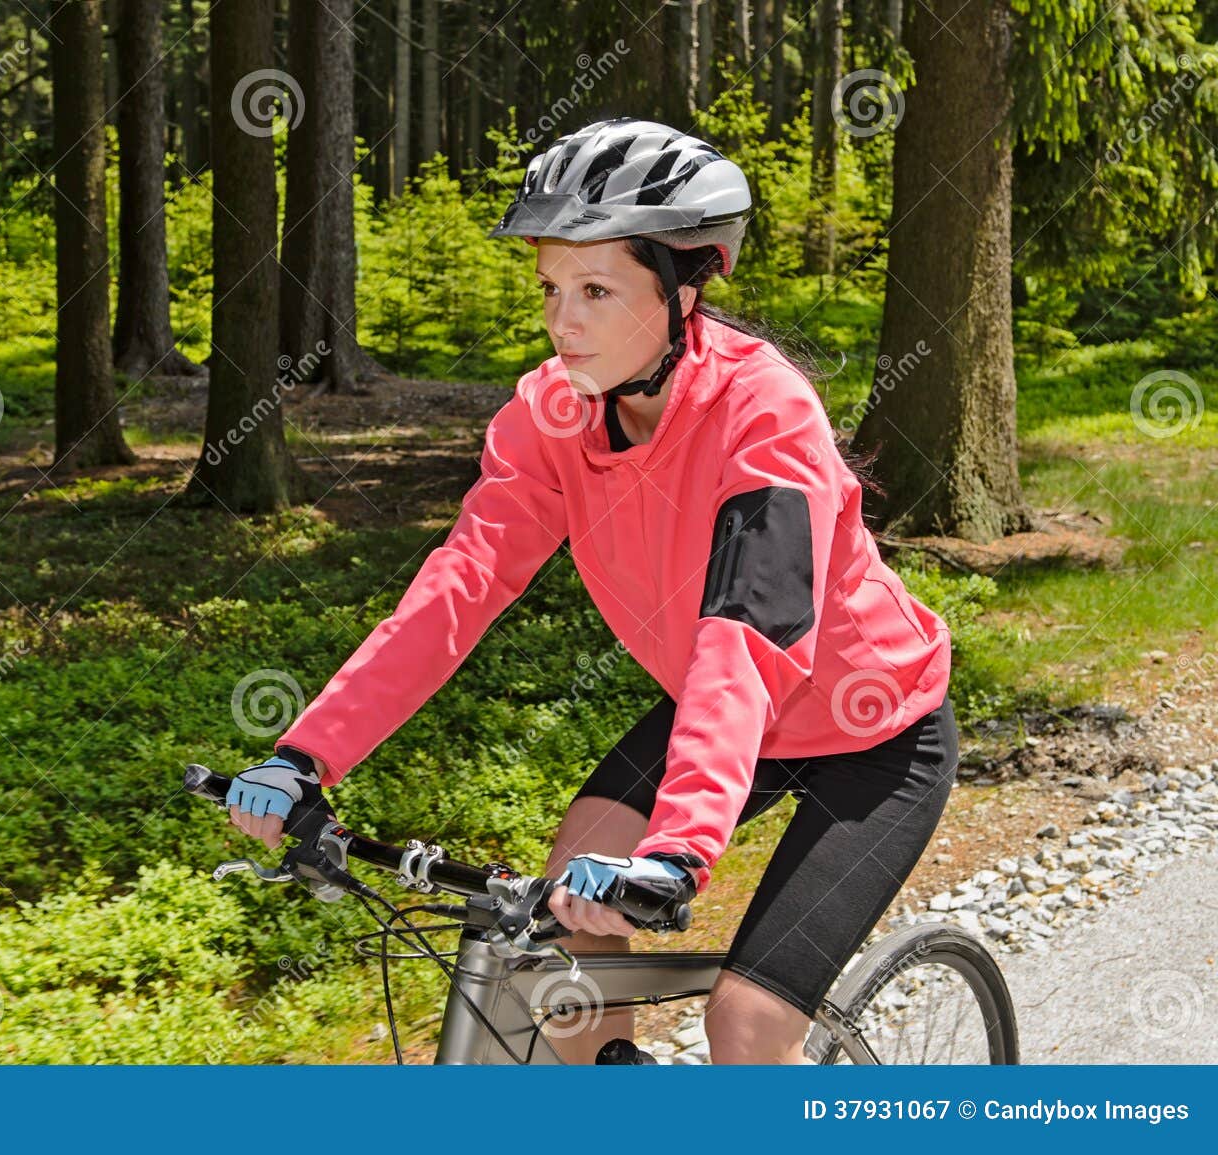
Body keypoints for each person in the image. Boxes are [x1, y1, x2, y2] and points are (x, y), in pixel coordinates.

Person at [226, 117, 958, 1065]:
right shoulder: (552, 413)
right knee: (564, 939)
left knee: (745, 1019)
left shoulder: (765, 414)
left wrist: (679, 848)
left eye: (597, 290)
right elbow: (460, 585)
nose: (561, 321)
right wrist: (307, 754)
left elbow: (748, 631)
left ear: (684, 290)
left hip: (875, 734)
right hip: (724, 715)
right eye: (552, 289)